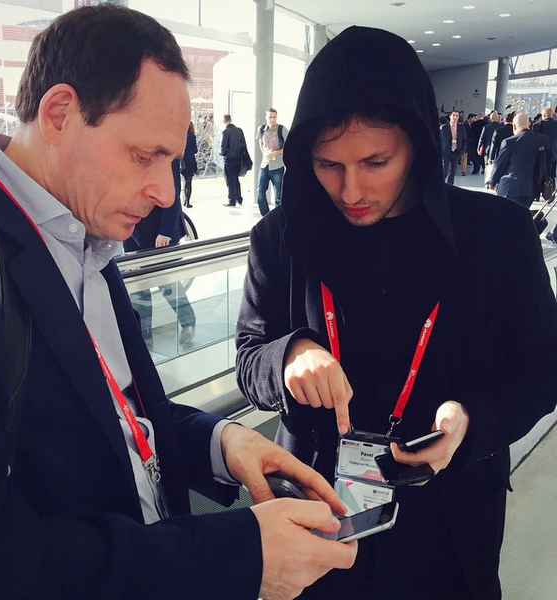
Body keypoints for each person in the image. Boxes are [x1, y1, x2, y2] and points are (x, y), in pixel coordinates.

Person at [0, 6, 357, 599]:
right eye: (145, 155)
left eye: (173, 159)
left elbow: (113, 413)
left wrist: (220, 443)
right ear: (59, 114)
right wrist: (232, 557)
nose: (166, 192)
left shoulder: (80, 231)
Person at [235, 25, 557, 600]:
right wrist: (289, 356)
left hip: (449, 513)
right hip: (317, 502)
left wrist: (473, 419)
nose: (350, 190)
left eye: (376, 162)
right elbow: (248, 357)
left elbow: (542, 365)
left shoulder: (498, 235)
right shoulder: (280, 239)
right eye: (327, 165)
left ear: (418, 145)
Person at [124, 159, 197, 346]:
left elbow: (172, 193)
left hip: (158, 231)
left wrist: (165, 231)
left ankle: (188, 321)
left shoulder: (163, 152)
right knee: (138, 284)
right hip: (131, 228)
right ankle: (144, 336)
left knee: (166, 282)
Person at [488, 112, 552, 208]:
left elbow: (500, 164)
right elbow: (549, 160)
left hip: (510, 188)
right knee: (522, 213)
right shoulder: (542, 140)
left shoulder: (509, 142)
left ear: (514, 126)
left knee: (506, 214)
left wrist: (492, 181)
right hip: (532, 189)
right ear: (529, 124)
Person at [256, 107, 288, 216]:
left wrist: (276, 153)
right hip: (264, 165)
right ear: (266, 117)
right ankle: (266, 217)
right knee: (260, 193)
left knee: (278, 196)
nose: (272, 119)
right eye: (270, 117)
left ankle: (278, 218)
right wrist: (265, 154)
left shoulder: (282, 129)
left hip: (277, 166)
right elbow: (260, 142)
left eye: (274, 117)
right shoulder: (261, 129)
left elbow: (289, 146)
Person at [220, 113, 247, 207]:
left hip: (229, 159)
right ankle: (239, 198)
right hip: (238, 158)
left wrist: (222, 153)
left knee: (230, 179)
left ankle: (231, 199)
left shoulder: (226, 131)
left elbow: (223, 146)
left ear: (224, 120)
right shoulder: (239, 130)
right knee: (236, 178)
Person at [440, 110, 467, 184]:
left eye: (457, 116)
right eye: (453, 115)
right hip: (446, 152)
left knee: (453, 172)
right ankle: (440, 185)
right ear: (450, 117)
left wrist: (462, 150)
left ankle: (450, 186)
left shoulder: (461, 127)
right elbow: (439, 140)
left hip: (456, 151)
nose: (455, 117)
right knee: (444, 171)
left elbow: (464, 140)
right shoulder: (443, 127)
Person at [181, 121, 198, 207]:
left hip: (182, 161)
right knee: (188, 182)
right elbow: (195, 150)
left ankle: (183, 200)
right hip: (190, 161)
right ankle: (187, 201)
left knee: (183, 181)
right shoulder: (192, 137)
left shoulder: (181, 136)